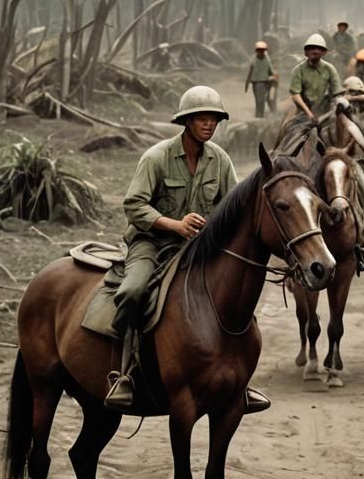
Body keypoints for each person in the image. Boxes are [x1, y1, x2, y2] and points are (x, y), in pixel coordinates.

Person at [104, 86, 269, 413]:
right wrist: (173, 224)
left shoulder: (219, 160)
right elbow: (134, 206)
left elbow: (231, 207)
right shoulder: (156, 157)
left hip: (200, 247)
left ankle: (239, 381)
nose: (209, 124)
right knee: (134, 290)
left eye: (214, 119)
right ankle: (125, 372)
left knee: (234, 296)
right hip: (152, 242)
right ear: (186, 121)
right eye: (202, 118)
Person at [288, 33, 342, 123]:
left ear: (324, 53)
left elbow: (338, 93)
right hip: (304, 113)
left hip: (326, 113)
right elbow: (295, 95)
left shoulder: (330, 69)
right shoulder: (298, 70)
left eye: (319, 49)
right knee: (295, 134)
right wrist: (309, 113)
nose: (315, 51)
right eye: (312, 48)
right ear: (306, 52)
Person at [245, 41, 276, 119]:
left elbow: (271, 70)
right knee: (258, 100)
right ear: (256, 50)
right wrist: (246, 85)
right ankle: (258, 114)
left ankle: (260, 116)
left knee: (261, 100)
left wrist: (273, 78)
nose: (261, 52)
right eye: (259, 50)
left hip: (264, 82)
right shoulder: (253, 59)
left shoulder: (267, 59)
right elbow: (250, 72)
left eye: (263, 50)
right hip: (256, 82)